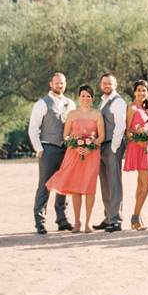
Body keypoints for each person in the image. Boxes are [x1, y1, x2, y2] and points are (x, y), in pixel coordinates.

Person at [45, 84, 105, 232]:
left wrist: (90, 146)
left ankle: (88, 222)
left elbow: (101, 136)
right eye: (83, 96)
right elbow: (66, 135)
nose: (85, 99)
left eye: (88, 96)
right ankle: (77, 222)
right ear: (79, 97)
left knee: (90, 187)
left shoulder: (97, 114)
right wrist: (76, 145)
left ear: (92, 98)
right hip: (75, 153)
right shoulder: (72, 114)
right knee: (76, 187)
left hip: (92, 154)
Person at [28, 72, 76, 234]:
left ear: (65, 84)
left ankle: (62, 220)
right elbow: (33, 128)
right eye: (56, 83)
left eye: (62, 83)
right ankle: (40, 221)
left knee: (64, 185)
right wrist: (39, 149)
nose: (59, 85)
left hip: (66, 150)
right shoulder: (41, 104)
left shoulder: (70, 103)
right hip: (48, 149)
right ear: (51, 84)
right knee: (44, 185)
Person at [94, 73, 127, 232]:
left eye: (110, 83)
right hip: (102, 146)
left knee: (114, 182)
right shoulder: (103, 101)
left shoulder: (118, 102)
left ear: (115, 85)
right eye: (104, 83)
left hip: (113, 145)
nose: (107, 85)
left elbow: (120, 125)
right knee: (105, 182)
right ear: (101, 85)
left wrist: (114, 147)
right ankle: (108, 217)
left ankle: (116, 219)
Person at [122, 79, 148, 230]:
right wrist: (139, 141)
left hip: (147, 147)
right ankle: (135, 216)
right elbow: (128, 131)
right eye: (139, 90)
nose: (141, 93)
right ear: (134, 92)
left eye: (144, 90)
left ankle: (138, 217)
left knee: (141, 184)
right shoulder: (132, 108)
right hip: (137, 146)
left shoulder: (146, 108)